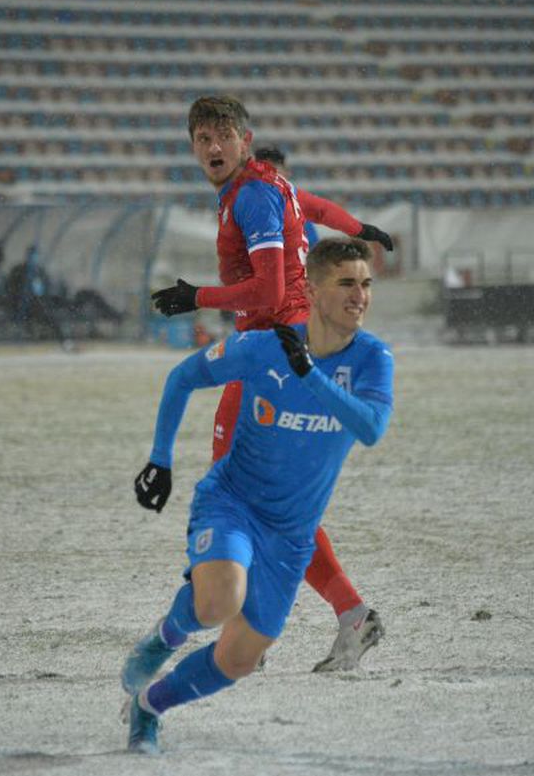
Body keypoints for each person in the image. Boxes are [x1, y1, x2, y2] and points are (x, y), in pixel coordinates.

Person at [123, 237, 394, 754]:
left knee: (241, 660)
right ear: (313, 290)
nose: (359, 295)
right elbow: (182, 378)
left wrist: (309, 377)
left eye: (365, 284)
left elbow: (371, 428)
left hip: (293, 536)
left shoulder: (373, 358)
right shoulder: (265, 346)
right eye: (346, 284)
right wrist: (160, 458)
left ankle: (148, 705)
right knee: (219, 599)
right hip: (233, 504)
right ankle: (166, 637)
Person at [150, 95, 387, 672]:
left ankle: (254, 629)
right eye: (202, 138)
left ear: (244, 141)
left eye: (222, 136)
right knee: (272, 504)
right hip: (295, 346)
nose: (212, 148)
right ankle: (332, 617)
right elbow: (319, 206)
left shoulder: (253, 196)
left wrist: (195, 297)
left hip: (275, 351)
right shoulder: (265, 188)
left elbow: (266, 292)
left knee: (238, 495)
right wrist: (363, 229)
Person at [254, 146, 394, 251]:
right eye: (265, 172)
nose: (270, 178)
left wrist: (364, 231)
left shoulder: (294, 202)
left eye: (275, 172)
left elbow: (325, 211)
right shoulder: (241, 198)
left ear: (286, 173)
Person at [5, 245, 73, 347]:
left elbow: (45, 289)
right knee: (46, 313)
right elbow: (11, 288)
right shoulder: (19, 270)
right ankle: (61, 340)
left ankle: (63, 340)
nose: (34, 259)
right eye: (32, 256)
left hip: (40, 302)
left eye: (36, 256)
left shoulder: (40, 271)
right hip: (24, 304)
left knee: (51, 310)